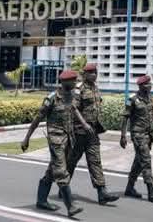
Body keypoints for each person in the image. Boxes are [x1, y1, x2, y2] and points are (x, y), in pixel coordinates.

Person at [21, 69, 93, 217]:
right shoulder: (52, 98)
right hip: (56, 139)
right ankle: (70, 206)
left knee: (52, 170)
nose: (75, 83)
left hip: (68, 138)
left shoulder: (72, 95)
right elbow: (38, 118)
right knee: (60, 171)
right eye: (73, 81)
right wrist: (27, 138)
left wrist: (84, 124)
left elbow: (74, 110)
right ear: (65, 82)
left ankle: (41, 200)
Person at [62, 63, 119, 205]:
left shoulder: (95, 88)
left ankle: (102, 192)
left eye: (96, 72)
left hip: (92, 131)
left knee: (95, 161)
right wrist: (84, 124)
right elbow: (73, 107)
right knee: (71, 162)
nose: (94, 75)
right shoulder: (78, 88)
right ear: (85, 74)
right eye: (91, 72)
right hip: (79, 131)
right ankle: (64, 188)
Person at [120, 75, 153, 202]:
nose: (150, 86)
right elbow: (125, 118)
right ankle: (151, 191)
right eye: (147, 84)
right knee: (146, 160)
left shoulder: (150, 98)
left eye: (150, 84)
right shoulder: (132, 99)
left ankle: (129, 188)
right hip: (138, 135)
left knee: (139, 162)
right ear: (141, 86)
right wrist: (123, 136)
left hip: (148, 135)